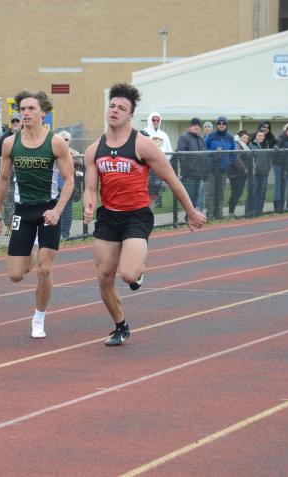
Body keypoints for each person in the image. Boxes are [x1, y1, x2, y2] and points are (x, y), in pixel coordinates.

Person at [83, 83, 206, 346]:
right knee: (104, 276)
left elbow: (172, 179)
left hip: (137, 215)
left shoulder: (143, 145)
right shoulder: (94, 150)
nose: (114, 111)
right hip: (108, 217)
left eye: (121, 108)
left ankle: (137, 272)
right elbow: (91, 187)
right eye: (112, 106)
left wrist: (190, 211)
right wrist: (89, 203)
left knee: (127, 275)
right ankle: (120, 326)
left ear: (130, 115)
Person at [0, 90, 75, 339]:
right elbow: (3, 179)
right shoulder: (10, 143)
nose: (25, 113)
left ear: (43, 112)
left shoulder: (55, 142)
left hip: (48, 210)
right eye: (22, 109)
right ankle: (34, 246)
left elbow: (69, 181)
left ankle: (39, 318)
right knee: (16, 275)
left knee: (45, 270)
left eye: (30, 109)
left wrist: (57, 211)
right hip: (23, 210)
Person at [204, 115, 236, 219]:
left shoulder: (230, 138)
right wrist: (213, 153)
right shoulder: (211, 136)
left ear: (226, 125)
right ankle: (210, 215)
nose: (221, 125)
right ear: (217, 125)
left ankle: (219, 214)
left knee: (221, 193)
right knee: (210, 193)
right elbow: (204, 150)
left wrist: (228, 162)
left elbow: (234, 154)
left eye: (223, 123)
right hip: (211, 170)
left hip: (223, 170)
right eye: (219, 123)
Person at [175, 118, 207, 212]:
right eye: (194, 125)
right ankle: (189, 217)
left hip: (199, 174)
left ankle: (191, 217)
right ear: (190, 126)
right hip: (188, 175)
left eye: (198, 125)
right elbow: (181, 155)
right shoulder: (184, 137)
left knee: (196, 198)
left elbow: (205, 156)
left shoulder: (201, 139)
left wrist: (204, 171)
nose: (197, 127)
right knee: (189, 198)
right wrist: (187, 171)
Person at [56, 130, 81, 240]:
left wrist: (74, 160)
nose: (64, 141)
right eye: (62, 139)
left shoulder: (73, 152)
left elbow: (81, 163)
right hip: (54, 187)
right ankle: (54, 235)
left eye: (66, 140)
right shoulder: (53, 151)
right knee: (54, 210)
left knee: (67, 212)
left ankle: (65, 235)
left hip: (68, 186)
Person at [245, 129, 271, 216]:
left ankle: (258, 211)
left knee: (262, 193)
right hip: (254, 174)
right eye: (259, 135)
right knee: (253, 192)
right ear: (256, 136)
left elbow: (269, 159)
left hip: (264, 173)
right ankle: (249, 211)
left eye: (262, 136)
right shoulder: (251, 145)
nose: (261, 137)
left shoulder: (266, 145)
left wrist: (267, 168)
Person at [228, 129, 251, 214]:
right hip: (235, 174)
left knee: (238, 194)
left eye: (247, 138)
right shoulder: (237, 145)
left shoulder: (245, 147)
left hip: (242, 175)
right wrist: (245, 168)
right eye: (244, 137)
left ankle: (232, 212)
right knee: (235, 193)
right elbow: (236, 159)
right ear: (240, 138)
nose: (245, 139)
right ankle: (231, 212)